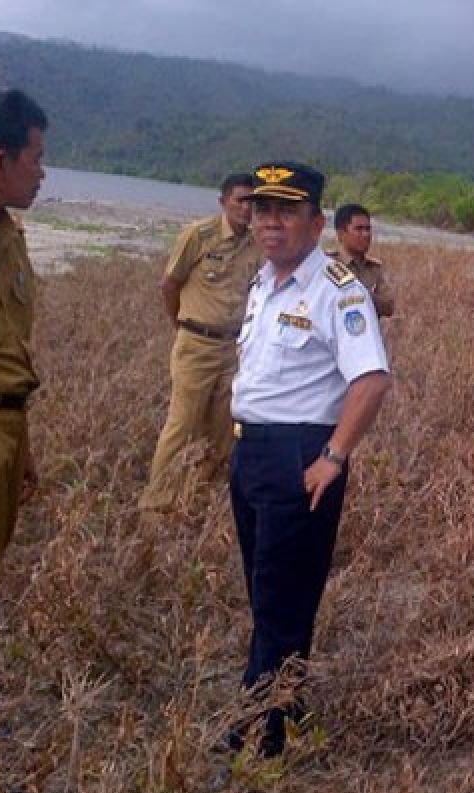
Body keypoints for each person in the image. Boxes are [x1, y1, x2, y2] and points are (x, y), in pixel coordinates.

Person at [226, 161, 390, 757]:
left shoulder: (338, 290)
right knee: (267, 589)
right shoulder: (265, 282)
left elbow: (370, 380)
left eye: (287, 212)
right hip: (252, 452)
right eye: (263, 210)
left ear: (317, 223)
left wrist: (333, 456)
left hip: (300, 455)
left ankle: (260, 730)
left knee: (280, 592)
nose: (270, 223)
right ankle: (283, 706)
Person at [138, 173, 261, 511]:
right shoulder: (199, 235)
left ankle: (198, 495)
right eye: (240, 200)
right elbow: (169, 284)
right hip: (197, 345)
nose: (247, 208)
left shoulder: (256, 246)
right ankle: (156, 503)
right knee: (183, 424)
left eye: (253, 201)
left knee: (224, 431)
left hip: (233, 349)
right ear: (223, 201)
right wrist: (181, 323)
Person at [0, 88, 47, 583]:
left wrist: (20, 442)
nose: (41, 173)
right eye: (36, 159)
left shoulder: (9, 238)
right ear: (0, 162)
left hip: (5, 432)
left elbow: (11, 354)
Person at [327, 203, 394, 317]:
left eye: (368, 229)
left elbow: (388, 308)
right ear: (341, 233)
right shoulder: (328, 264)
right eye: (359, 229)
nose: (366, 234)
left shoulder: (374, 268)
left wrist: (360, 293)